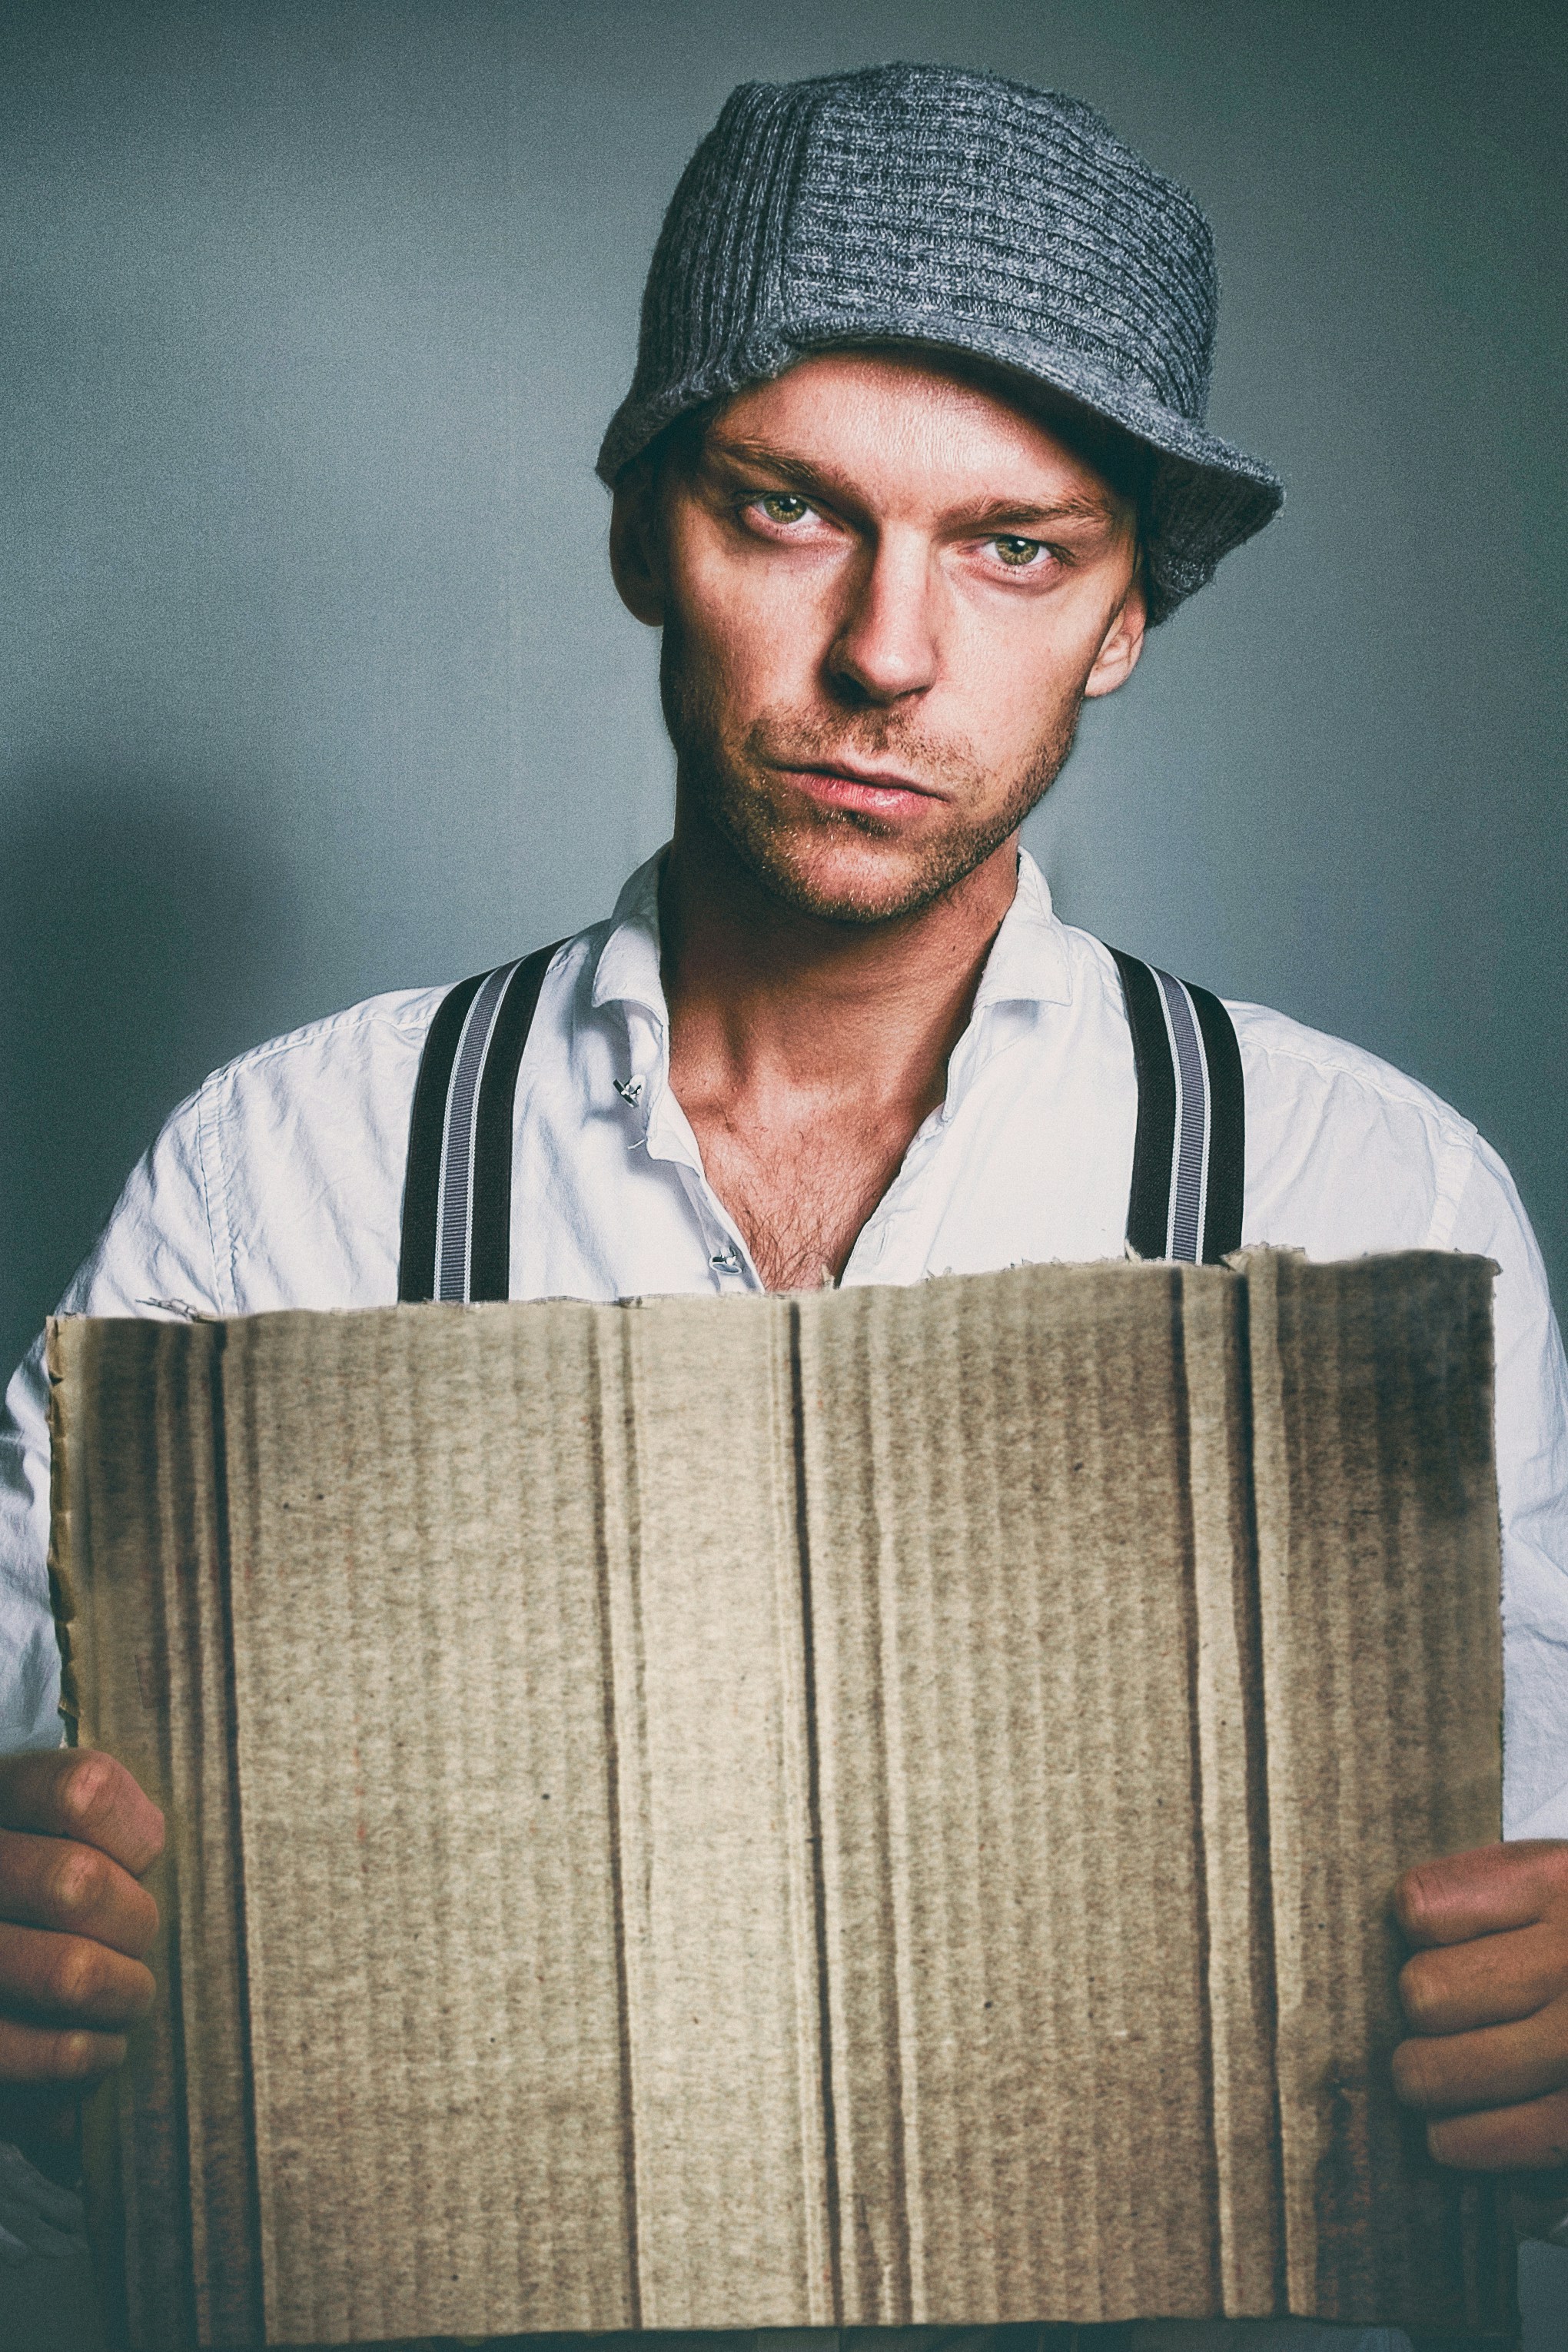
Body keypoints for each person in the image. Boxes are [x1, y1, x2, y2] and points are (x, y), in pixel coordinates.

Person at [1, 59, 1566, 2348]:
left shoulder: (1372, 1196)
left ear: (1129, 611)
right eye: (791, 511)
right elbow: (57, 2059)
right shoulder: (290, 1175)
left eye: (1014, 545)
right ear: (646, 527)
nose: (888, 657)